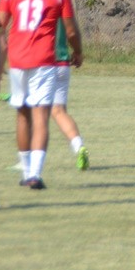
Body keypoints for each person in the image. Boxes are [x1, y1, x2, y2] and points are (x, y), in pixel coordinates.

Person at [0, 0, 84, 189]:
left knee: (22, 114)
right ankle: (34, 174)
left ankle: (25, 171)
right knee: (41, 116)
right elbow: (70, 30)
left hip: (17, 60)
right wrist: (78, 52)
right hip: (44, 59)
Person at [50, 17, 90, 170]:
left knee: (31, 112)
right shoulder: (62, 1)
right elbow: (72, 30)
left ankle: (28, 162)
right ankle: (79, 146)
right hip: (62, 62)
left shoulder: (30, 1)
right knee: (59, 111)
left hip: (40, 62)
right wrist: (78, 52)